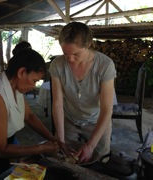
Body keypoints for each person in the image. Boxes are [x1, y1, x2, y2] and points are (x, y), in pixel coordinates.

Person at [0, 43, 59, 180]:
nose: (33, 86)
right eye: (34, 80)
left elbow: (29, 116)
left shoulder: (14, 85)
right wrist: (41, 148)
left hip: (2, 147)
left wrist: (53, 139)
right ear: (21, 72)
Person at [49, 22, 116, 164]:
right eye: (65, 54)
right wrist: (60, 139)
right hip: (70, 119)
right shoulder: (57, 65)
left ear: (88, 44)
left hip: (97, 120)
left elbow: (106, 109)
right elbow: (57, 104)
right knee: (61, 157)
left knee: (100, 160)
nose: (70, 59)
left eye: (75, 54)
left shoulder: (105, 65)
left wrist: (91, 145)